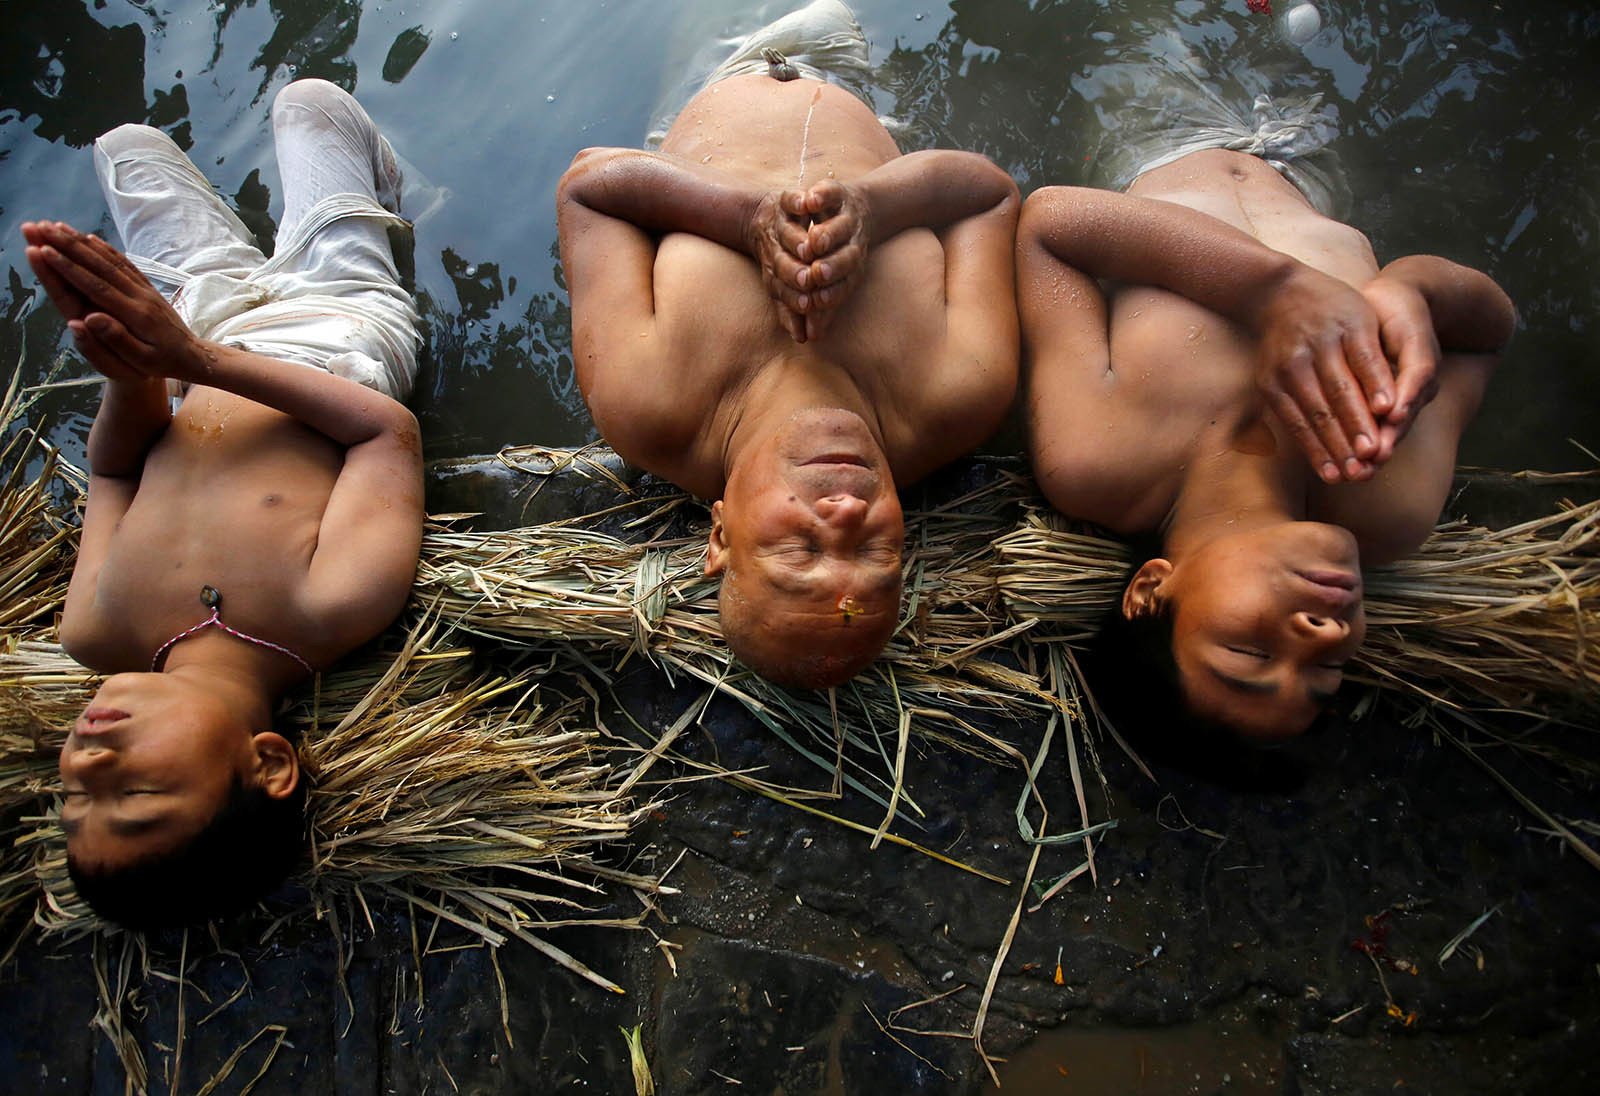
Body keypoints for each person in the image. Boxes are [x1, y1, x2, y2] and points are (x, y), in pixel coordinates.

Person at [24, 79, 424, 929]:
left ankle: (221, 263)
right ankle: (394, 199)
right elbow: (384, 435)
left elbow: (114, 475)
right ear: (267, 763)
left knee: (122, 145)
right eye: (136, 791)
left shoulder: (96, 630)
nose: (88, 762)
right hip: (334, 329)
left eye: (74, 796)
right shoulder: (332, 608)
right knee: (307, 102)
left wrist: (134, 374)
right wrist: (195, 360)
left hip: (191, 342)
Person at [1020, 81, 1515, 744]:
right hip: (1312, 159)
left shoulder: (1098, 460)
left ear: (1150, 593)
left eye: (1250, 654)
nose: (1324, 634)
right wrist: (1415, 293)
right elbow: (1489, 334)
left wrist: (1276, 292)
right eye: (1328, 669)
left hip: (1146, 126)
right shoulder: (1390, 499)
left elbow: (1050, 224)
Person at [557, 0, 1020, 688]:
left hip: (717, 73)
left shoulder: (648, 405)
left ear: (721, 535)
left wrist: (746, 218)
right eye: (876, 550)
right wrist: (877, 206)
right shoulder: (961, 394)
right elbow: (988, 194)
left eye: (802, 547)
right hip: (845, 75)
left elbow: (590, 186)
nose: (847, 512)